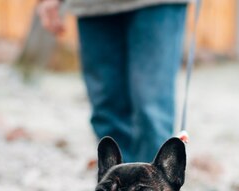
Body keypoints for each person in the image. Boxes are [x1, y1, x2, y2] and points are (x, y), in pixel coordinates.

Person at [37, 0, 188, 163]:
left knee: (151, 112)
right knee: (106, 108)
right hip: (93, 6)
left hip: (156, 4)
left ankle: (153, 185)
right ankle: (117, 185)